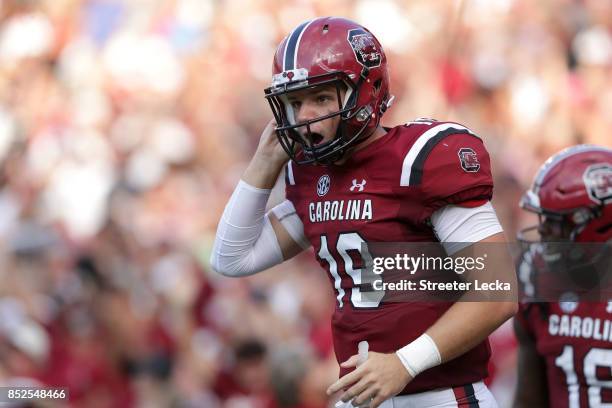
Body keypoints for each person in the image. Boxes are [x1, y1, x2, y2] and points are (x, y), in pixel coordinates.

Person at [211, 16, 516, 408]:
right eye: (294, 102)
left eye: (321, 98)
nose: (304, 116)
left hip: (440, 396)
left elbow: (498, 293)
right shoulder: (311, 177)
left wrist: (404, 363)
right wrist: (264, 161)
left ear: (364, 91)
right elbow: (230, 257)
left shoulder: (418, 159)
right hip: (360, 398)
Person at [513, 145, 612, 408]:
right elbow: (528, 398)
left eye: (553, 220)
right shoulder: (534, 279)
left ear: (590, 221)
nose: (543, 231)